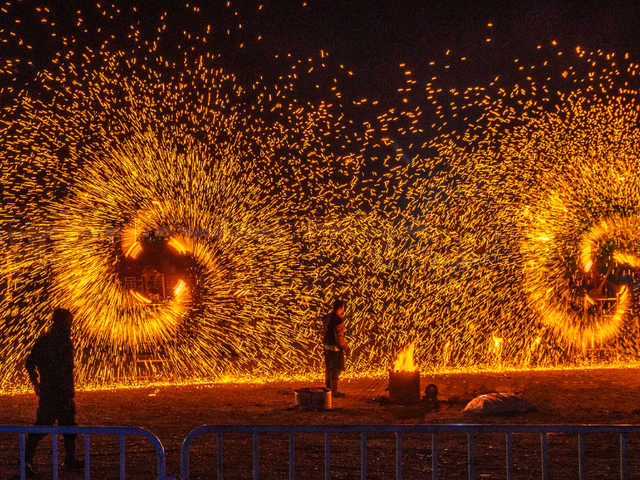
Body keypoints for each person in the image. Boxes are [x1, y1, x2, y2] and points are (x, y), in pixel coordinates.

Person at [23, 308, 83, 476]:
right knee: (49, 426)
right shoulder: (59, 341)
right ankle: (27, 461)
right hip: (57, 393)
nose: (70, 325)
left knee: (64, 426)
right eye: (68, 321)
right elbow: (65, 371)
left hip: (52, 392)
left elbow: (29, 364)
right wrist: (37, 384)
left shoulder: (45, 340)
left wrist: (36, 383)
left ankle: (68, 459)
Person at [322, 299, 351, 397]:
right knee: (335, 369)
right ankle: (334, 391)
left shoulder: (327, 317)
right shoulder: (338, 320)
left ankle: (328, 389)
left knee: (328, 369)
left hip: (326, 347)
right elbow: (340, 338)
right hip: (335, 349)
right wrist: (346, 348)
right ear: (341, 308)